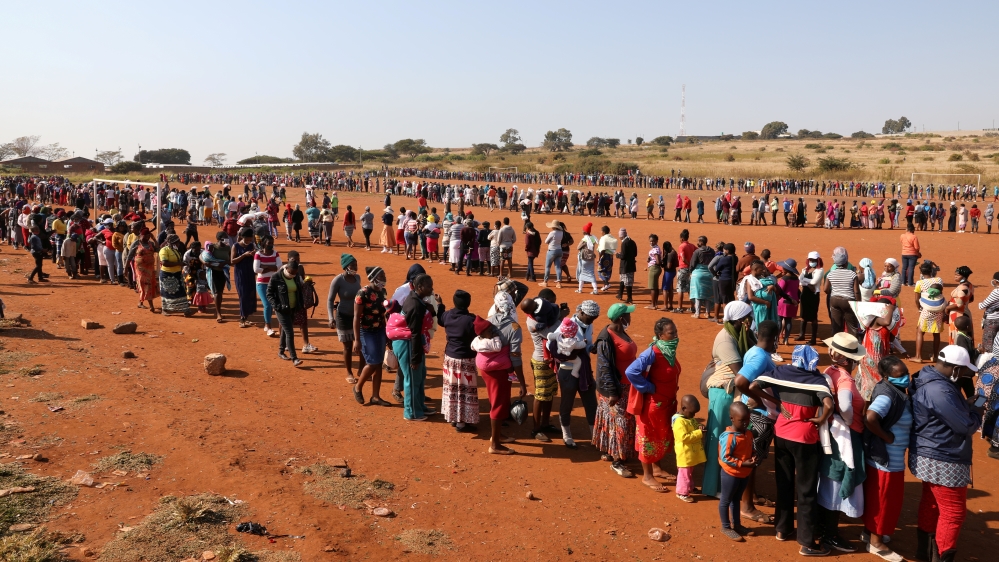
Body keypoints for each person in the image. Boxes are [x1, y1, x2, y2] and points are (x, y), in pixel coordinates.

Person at [751, 345, 836, 556]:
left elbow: (753, 386)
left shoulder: (781, 372)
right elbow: (828, 403)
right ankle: (807, 542)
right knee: (806, 490)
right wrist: (821, 418)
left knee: (784, 483)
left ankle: (782, 529)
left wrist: (776, 401)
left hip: (781, 433)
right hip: (805, 438)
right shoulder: (817, 380)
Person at [910, 345, 983, 562]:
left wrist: (964, 404)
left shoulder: (929, 379)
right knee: (953, 512)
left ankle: (924, 553)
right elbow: (965, 426)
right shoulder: (939, 390)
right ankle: (941, 557)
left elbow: (948, 411)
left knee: (931, 503)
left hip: (928, 452)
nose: (964, 374)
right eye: (962, 370)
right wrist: (977, 410)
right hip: (943, 457)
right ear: (954, 369)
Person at [816, 333, 867, 553]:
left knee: (829, 479)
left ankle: (823, 528)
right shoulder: (845, 378)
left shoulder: (829, 371)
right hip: (846, 436)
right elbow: (845, 406)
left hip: (830, 433)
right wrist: (847, 420)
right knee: (838, 481)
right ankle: (830, 534)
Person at [862, 355, 912, 562]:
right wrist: (887, 436)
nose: (905, 378)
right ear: (886, 377)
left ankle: (870, 532)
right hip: (887, 460)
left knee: (877, 497)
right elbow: (870, 418)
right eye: (900, 376)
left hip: (886, 458)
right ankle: (876, 543)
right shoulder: (888, 395)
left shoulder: (893, 390)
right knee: (885, 501)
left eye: (906, 373)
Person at [704, 301, 754, 498]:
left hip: (730, 393)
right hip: (723, 394)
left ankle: (723, 484)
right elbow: (740, 372)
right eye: (748, 316)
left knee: (728, 442)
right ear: (741, 319)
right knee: (718, 440)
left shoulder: (738, 333)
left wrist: (749, 333)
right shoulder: (725, 340)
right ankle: (712, 487)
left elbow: (751, 348)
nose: (751, 320)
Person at [625, 317, 681, 493]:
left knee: (661, 436)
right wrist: (648, 387)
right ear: (660, 335)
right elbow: (631, 371)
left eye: (675, 332)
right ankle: (647, 476)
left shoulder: (669, 351)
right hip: (653, 406)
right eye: (671, 333)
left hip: (667, 404)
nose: (675, 336)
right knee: (648, 438)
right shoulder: (652, 353)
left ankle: (657, 468)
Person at [733, 320, 780, 524]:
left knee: (751, 460)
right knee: (751, 461)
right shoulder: (760, 357)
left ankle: (750, 497)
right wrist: (761, 400)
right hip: (758, 416)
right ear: (775, 338)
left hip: (754, 413)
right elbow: (741, 381)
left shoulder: (754, 351)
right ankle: (747, 507)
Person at [594, 303, 638, 478]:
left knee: (618, 421)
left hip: (627, 386)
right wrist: (613, 392)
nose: (630, 317)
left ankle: (611, 451)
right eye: (628, 315)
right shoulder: (606, 339)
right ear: (621, 318)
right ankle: (617, 462)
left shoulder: (620, 331)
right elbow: (604, 367)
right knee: (619, 423)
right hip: (615, 388)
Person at [394, 273, 443, 421]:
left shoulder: (419, 300)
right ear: (419, 287)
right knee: (412, 378)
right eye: (429, 286)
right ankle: (411, 412)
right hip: (407, 343)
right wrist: (414, 359)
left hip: (413, 343)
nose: (432, 288)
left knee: (420, 376)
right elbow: (414, 333)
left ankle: (420, 406)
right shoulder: (416, 305)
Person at [553, 300, 600, 449]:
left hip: (585, 369)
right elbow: (552, 345)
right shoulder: (566, 325)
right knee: (567, 402)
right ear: (581, 313)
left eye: (594, 318)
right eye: (590, 317)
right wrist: (566, 356)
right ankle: (566, 435)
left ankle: (594, 435)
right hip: (567, 370)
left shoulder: (589, 324)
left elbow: (587, 344)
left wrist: (591, 348)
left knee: (591, 402)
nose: (592, 321)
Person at [485, 292, 527, 454]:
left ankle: (498, 435)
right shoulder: (514, 327)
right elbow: (515, 357)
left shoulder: (488, 322)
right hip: (500, 370)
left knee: (495, 401)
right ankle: (495, 445)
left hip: (487, 368)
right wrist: (522, 383)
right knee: (499, 404)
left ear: (495, 306)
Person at [521, 290, 564, 441]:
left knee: (550, 393)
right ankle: (536, 429)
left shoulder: (543, 316)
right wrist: (562, 317)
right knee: (540, 395)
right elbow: (552, 333)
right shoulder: (534, 321)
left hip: (549, 360)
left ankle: (545, 424)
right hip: (541, 361)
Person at [718, 402, 759, 542]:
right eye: (742, 420)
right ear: (732, 418)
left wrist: (753, 455)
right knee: (726, 499)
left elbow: (749, 449)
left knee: (736, 499)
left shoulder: (747, 434)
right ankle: (725, 527)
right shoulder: (729, 437)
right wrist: (742, 463)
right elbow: (725, 457)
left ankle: (737, 525)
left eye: (747, 419)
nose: (745, 423)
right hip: (731, 474)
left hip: (744, 473)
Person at [439, 290, 479, 432]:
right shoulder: (471, 320)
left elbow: (440, 319)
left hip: (450, 359)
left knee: (452, 389)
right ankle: (462, 423)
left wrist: (440, 305)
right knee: (464, 391)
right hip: (465, 360)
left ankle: (453, 418)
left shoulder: (447, 316)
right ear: (468, 303)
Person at [352, 266, 390, 406]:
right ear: (374, 278)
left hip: (380, 330)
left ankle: (375, 396)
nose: (384, 277)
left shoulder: (383, 292)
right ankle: (357, 387)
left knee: (379, 363)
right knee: (373, 362)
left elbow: (383, 314)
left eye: (384, 274)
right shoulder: (362, 293)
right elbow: (356, 317)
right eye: (381, 275)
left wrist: (387, 333)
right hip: (365, 331)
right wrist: (356, 340)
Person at [328, 254, 363, 383]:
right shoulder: (338, 280)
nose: (355, 267)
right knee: (348, 347)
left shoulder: (358, 278)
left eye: (356, 265)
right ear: (346, 267)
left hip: (357, 316)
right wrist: (331, 317)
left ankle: (361, 369)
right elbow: (330, 300)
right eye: (352, 265)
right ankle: (349, 372)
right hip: (343, 317)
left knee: (362, 344)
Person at [266, 254, 305, 367]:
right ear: (286, 268)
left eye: (295, 273)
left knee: (284, 329)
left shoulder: (296, 276)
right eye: (291, 272)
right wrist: (276, 306)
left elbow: (298, 291)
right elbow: (269, 294)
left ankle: (281, 351)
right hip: (281, 309)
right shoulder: (276, 277)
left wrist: (300, 304)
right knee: (289, 332)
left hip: (293, 308)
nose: (292, 275)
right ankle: (294, 358)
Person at [672, 395, 705, 503]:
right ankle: (682, 492)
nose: (694, 415)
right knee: (684, 474)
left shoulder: (687, 417)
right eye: (692, 413)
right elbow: (684, 437)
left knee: (689, 472)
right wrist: (698, 433)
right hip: (684, 454)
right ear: (684, 408)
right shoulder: (679, 422)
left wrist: (699, 426)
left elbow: (693, 425)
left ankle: (689, 487)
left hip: (690, 453)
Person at [823, 246, 861, 337]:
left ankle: (835, 349)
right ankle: (852, 348)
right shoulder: (852, 274)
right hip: (848, 301)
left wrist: (831, 293)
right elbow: (856, 291)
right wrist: (858, 303)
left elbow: (825, 289)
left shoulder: (831, 274)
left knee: (836, 326)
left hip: (834, 300)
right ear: (846, 263)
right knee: (852, 326)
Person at [914, 261, 946, 362]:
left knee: (920, 331)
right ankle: (935, 356)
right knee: (936, 333)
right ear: (932, 271)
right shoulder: (939, 280)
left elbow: (916, 299)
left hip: (926, 309)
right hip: (939, 309)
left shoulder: (920, 283)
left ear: (921, 272)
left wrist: (919, 308)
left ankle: (918, 357)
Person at [158, 234, 194, 317]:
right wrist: (179, 263)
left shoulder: (175, 250)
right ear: (172, 243)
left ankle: (185, 310)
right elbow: (164, 263)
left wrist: (182, 264)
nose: (178, 244)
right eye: (177, 242)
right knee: (167, 293)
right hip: (167, 275)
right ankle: (165, 309)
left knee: (181, 292)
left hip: (177, 274)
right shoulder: (164, 250)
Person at [229, 229, 257, 327]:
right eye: (247, 239)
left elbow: (255, 259)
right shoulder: (235, 246)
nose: (249, 241)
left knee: (250, 294)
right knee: (243, 294)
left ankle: (246, 317)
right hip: (240, 274)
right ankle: (242, 318)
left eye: (250, 239)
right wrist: (244, 255)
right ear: (243, 237)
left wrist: (254, 255)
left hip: (250, 272)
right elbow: (232, 261)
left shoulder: (251, 246)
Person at [797, 251, 824, 345]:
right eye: (810, 260)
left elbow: (814, 282)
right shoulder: (805, 269)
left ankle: (813, 339)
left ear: (818, 260)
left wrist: (804, 281)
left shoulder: (820, 270)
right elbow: (800, 281)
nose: (812, 261)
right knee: (803, 315)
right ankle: (802, 334)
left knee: (813, 317)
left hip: (814, 295)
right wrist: (807, 282)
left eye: (814, 260)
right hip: (805, 294)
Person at [132, 228, 159, 312]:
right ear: (141, 235)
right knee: (146, 285)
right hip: (140, 268)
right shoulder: (136, 243)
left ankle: (140, 302)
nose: (147, 238)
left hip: (150, 268)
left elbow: (158, 249)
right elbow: (130, 255)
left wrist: (154, 239)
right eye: (145, 236)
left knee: (145, 285)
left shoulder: (150, 243)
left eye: (148, 236)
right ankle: (151, 306)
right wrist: (125, 268)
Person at [946, 266, 974, 345]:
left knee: (956, 335)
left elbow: (959, 304)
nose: (955, 276)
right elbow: (971, 299)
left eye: (957, 275)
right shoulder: (970, 285)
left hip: (958, 314)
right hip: (965, 312)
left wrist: (947, 308)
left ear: (964, 276)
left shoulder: (962, 288)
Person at [689, 236, 714, 319]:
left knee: (698, 294)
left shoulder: (697, 251)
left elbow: (692, 264)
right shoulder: (712, 251)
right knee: (708, 294)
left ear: (701, 242)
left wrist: (690, 271)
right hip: (709, 274)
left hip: (698, 274)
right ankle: (708, 313)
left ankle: (697, 313)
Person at [675, 230, 696, 313]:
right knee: (690, 289)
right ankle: (692, 307)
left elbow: (683, 258)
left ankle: (679, 308)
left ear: (682, 238)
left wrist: (689, 264)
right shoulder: (692, 246)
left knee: (680, 288)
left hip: (683, 269)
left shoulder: (681, 246)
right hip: (691, 270)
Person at [615, 228, 637, 303]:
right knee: (624, 280)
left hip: (625, 265)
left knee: (626, 281)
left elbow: (623, 256)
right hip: (631, 264)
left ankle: (629, 298)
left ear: (621, 236)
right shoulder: (632, 241)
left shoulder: (624, 243)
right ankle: (620, 294)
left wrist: (618, 255)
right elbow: (635, 254)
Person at [575, 223, 598, 294]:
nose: (582, 231)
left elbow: (578, 247)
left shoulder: (585, 239)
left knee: (582, 273)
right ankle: (595, 289)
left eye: (583, 230)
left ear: (585, 232)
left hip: (584, 258)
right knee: (591, 273)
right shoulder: (593, 238)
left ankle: (580, 289)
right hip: (591, 258)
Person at [540, 220, 564, 288]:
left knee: (548, 267)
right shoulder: (561, 232)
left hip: (552, 251)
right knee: (558, 267)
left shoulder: (552, 233)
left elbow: (546, 241)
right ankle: (559, 283)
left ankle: (545, 282)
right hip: (559, 250)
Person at [597, 225, 616, 291]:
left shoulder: (603, 238)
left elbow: (602, 249)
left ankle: (607, 284)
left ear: (604, 232)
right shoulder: (612, 237)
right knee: (608, 270)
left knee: (600, 270)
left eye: (601, 231)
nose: (601, 232)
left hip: (604, 256)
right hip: (610, 256)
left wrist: (599, 258)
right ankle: (605, 285)